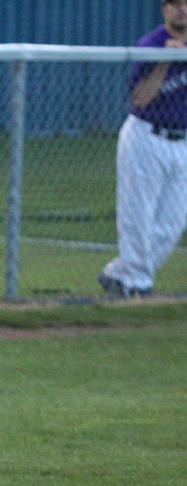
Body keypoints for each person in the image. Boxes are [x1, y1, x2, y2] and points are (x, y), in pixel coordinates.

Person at [98, 0, 187, 300]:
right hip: (146, 138)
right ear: (165, 10)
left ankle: (119, 273)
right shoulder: (151, 44)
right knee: (138, 216)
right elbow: (140, 99)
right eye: (176, 4)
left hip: (182, 142)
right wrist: (165, 60)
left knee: (174, 222)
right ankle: (135, 285)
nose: (183, 10)